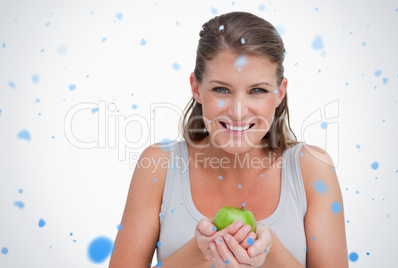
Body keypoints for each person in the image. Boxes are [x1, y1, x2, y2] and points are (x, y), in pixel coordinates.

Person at [109, 11, 348, 267]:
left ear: (279, 93)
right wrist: (199, 251)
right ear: (196, 87)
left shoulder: (313, 168)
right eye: (222, 89)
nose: (238, 111)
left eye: (257, 90)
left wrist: (271, 251)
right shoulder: (158, 164)